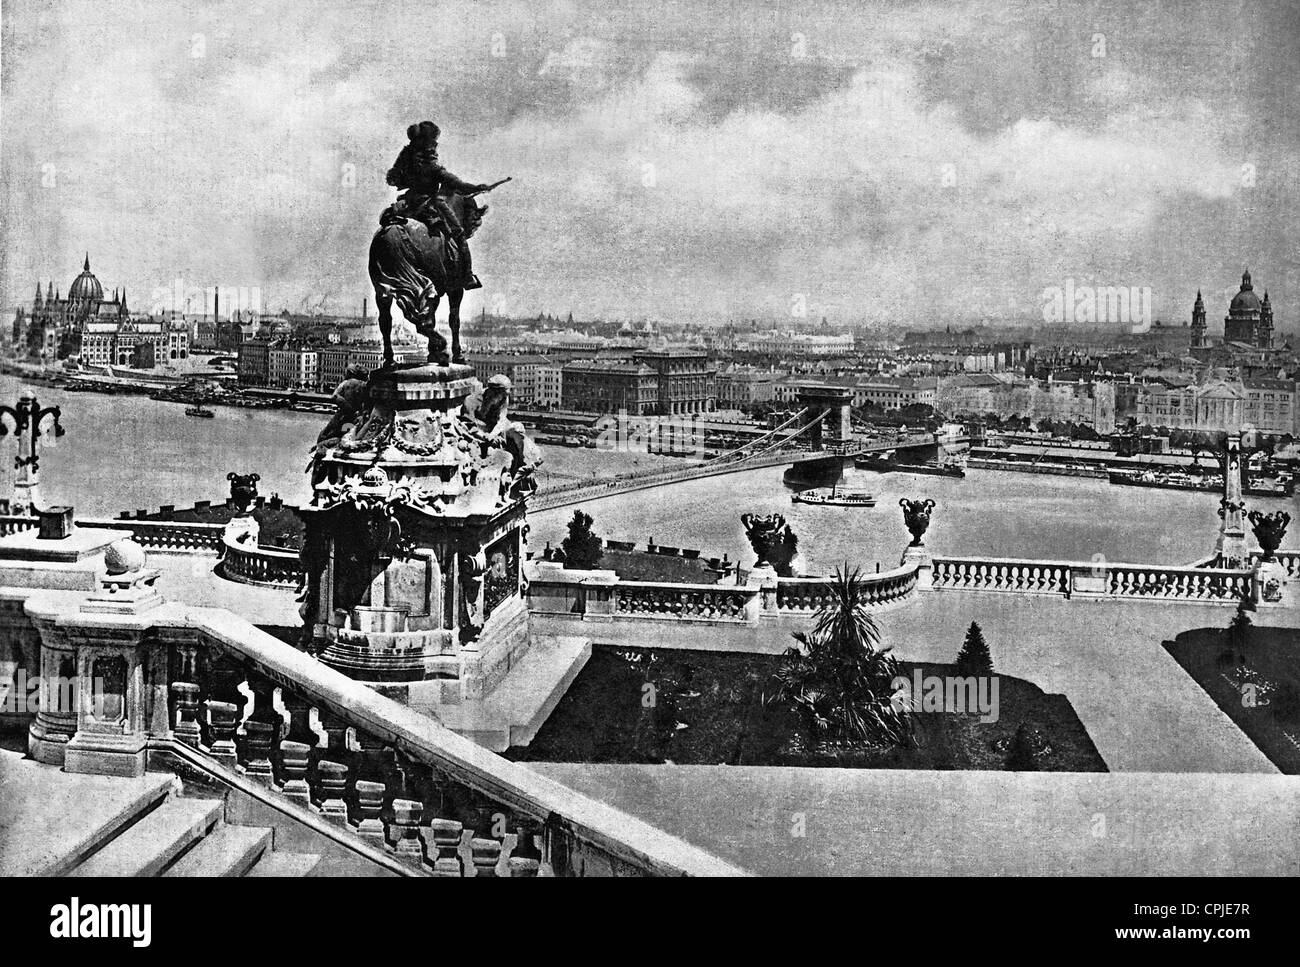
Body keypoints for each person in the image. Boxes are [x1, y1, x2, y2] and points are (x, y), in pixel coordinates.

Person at [386, 120, 488, 288]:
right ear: (429, 144)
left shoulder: (406, 160)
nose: (436, 145)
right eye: (434, 142)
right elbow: (458, 185)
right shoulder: (434, 168)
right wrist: (478, 188)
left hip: (407, 204)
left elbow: (392, 178)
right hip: (429, 205)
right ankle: (467, 276)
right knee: (459, 235)